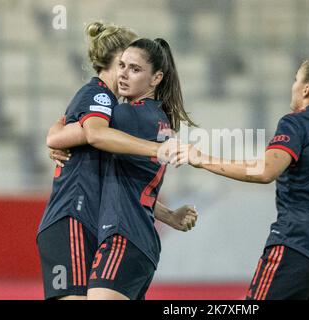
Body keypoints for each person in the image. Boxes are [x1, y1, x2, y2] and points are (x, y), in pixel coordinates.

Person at [173, 57, 309, 300]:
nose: (292, 86)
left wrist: (202, 158)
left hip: (298, 249)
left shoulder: (296, 123)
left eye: (295, 79)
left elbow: (265, 171)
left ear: (306, 89)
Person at [37, 22, 196, 300]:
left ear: (154, 77)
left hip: (98, 225)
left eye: (134, 68)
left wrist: (56, 135)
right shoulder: (104, 100)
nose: (125, 72)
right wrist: (55, 137)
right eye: (124, 64)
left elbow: (79, 141)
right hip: (71, 218)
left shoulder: (122, 113)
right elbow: (86, 135)